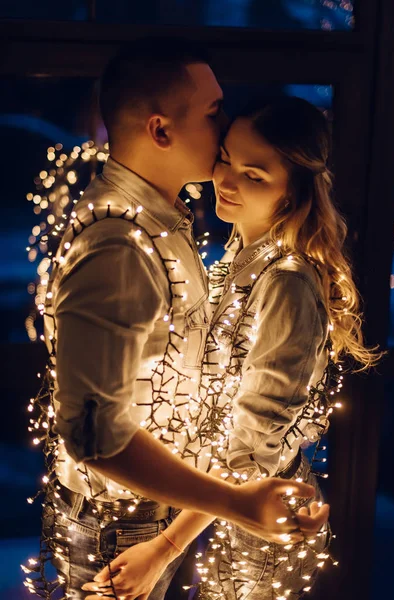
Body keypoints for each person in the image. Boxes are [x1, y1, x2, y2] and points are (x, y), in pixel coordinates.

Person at [37, 41, 328, 600]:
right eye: (213, 113)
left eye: (255, 174)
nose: (221, 133)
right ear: (161, 131)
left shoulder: (168, 225)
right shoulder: (121, 245)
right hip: (116, 523)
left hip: (162, 513)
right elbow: (95, 435)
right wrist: (232, 502)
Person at [82, 96, 380, 600]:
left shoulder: (286, 281)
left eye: (254, 174)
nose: (226, 181)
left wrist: (163, 550)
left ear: (293, 191)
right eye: (225, 160)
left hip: (261, 529)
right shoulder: (236, 254)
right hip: (220, 514)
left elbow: (253, 453)